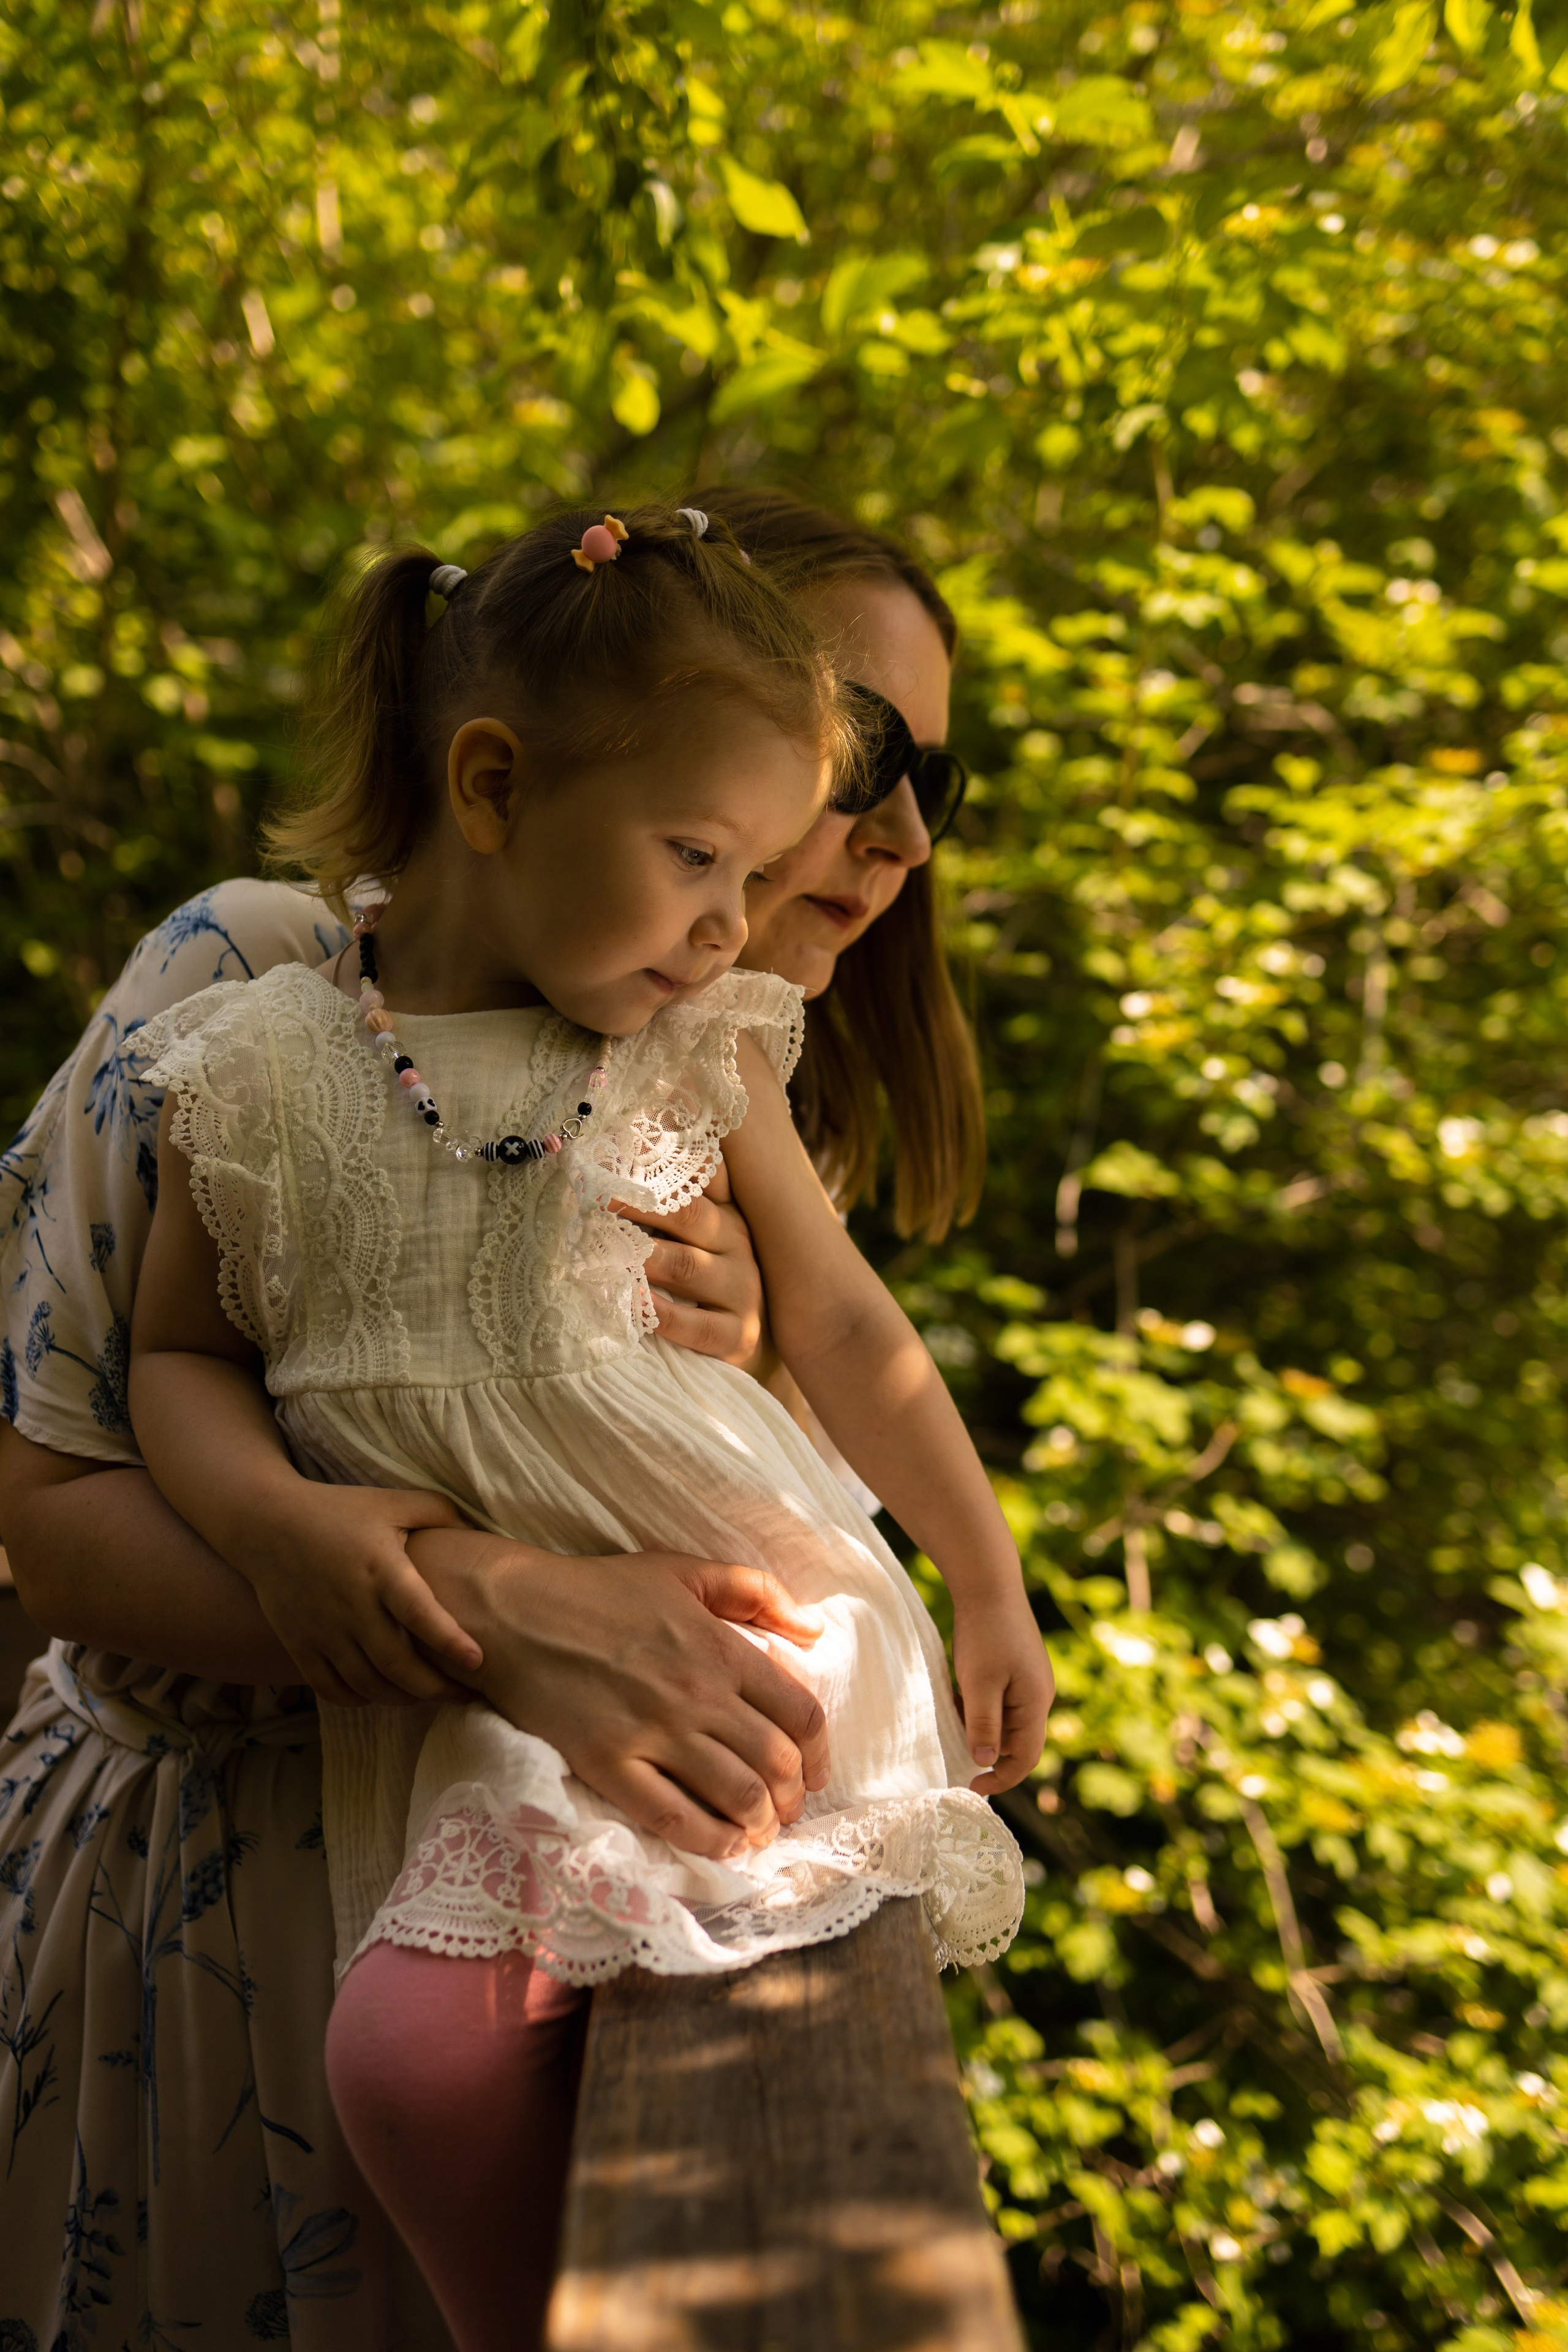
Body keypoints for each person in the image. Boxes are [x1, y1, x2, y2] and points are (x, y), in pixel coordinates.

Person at [0, 488, 1030, 2346]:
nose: (881, 838)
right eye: (845, 756)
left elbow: (753, 1440)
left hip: (539, 1904)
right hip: (211, 1936)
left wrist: (795, 1402)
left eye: (919, 785)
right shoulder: (254, 990)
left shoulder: (701, 1055)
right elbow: (73, 1488)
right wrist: (470, 1612)